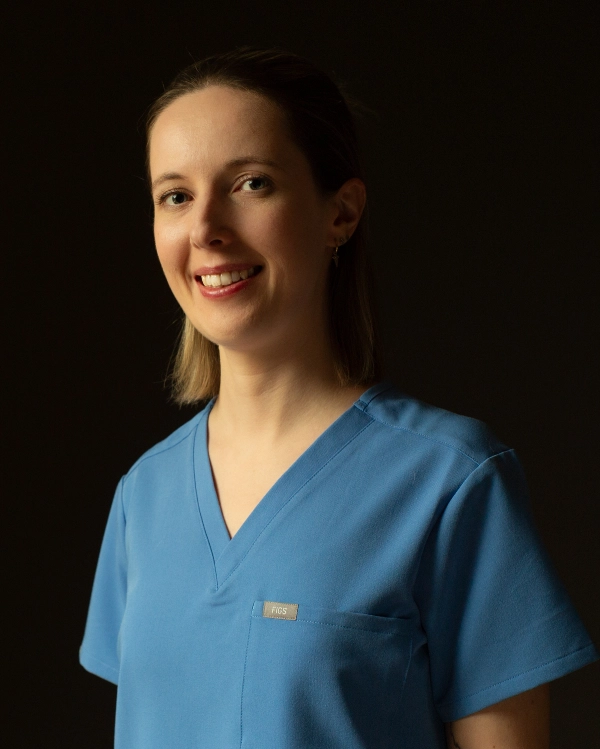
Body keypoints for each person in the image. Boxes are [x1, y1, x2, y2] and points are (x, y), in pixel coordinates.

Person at [79, 47, 598, 748]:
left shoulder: (449, 481)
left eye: (252, 183)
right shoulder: (144, 497)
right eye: (175, 195)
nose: (205, 229)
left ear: (341, 213)